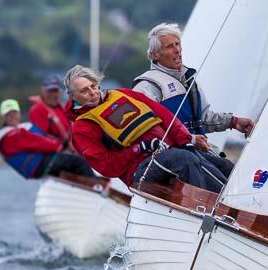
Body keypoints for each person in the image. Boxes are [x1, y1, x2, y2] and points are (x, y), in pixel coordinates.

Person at [63, 65, 227, 193]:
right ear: (73, 96)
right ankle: (210, 207)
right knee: (183, 158)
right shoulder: (82, 129)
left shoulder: (124, 95)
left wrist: (188, 140)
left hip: (170, 151)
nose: (92, 92)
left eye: (93, 86)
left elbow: (166, 117)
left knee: (222, 164)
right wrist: (139, 148)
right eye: (84, 91)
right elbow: (107, 167)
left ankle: (241, 207)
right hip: (139, 171)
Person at [132, 22, 256, 177]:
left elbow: (203, 119)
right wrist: (189, 138)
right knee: (222, 175)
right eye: (170, 46)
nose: (177, 49)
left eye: (178, 44)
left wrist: (233, 122)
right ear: (154, 55)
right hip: (177, 158)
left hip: (199, 152)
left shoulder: (189, 80)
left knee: (230, 170)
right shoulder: (147, 86)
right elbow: (144, 129)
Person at [0, 99, 94, 179]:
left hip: (42, 162)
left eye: (15, 113)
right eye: (8, 114)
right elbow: (37, 143)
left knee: (74, 163)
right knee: (79, 162)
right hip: (39, 166)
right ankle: (97, 187)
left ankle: (88, 187)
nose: (12, 116)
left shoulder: (21, 129)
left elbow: (41, 137)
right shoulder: (9, 136)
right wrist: (61, 145)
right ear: (3, 118)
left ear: (19, 114)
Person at [29, 75, 72, 142]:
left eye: (55, 91)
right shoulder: (37, 110)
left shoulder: (62, 108)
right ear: (42, 92)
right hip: (55, 150)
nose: (52, 94)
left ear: (59, 92)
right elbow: (40, 138)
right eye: (49, 91)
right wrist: (64, 146)